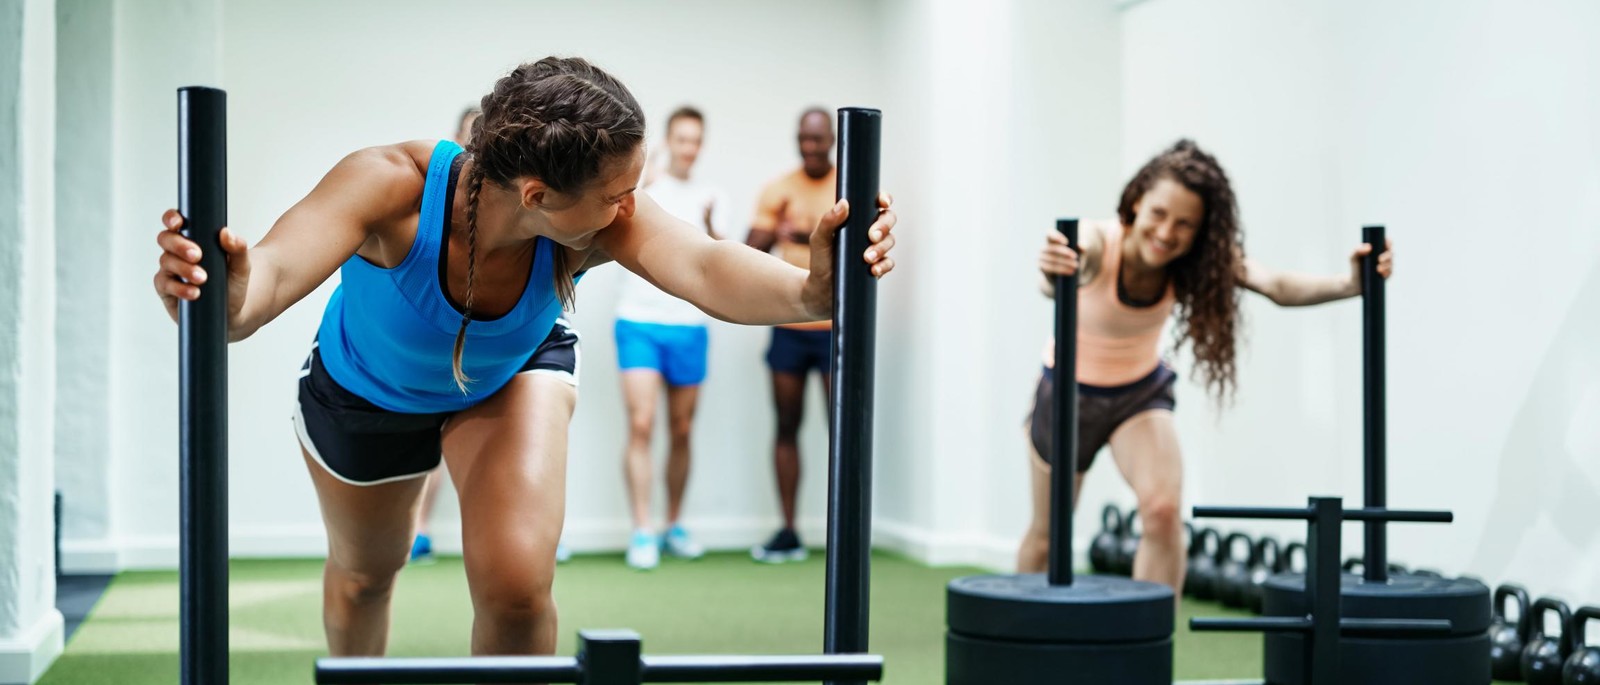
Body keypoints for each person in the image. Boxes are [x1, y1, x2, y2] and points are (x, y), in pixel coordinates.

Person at [153, 57, 897, 658]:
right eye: (618, 194)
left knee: (515, 588)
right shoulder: (390, 185)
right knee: (364, 576)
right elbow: (264, 284)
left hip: (510, 375)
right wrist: (224, 297)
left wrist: (810, 291)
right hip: (366, 391)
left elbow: (703, 265)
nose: (630, 208)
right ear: (538, 194)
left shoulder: (597, 220)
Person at [1015, 139, 1394, 594]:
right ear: (1136, 204)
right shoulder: (1099, 240)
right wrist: (1056, 266)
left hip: (1138, 395)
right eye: (1158, 214)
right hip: (1067, 393)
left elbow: (1275, 284)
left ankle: (1154, 636)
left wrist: (1348, 284)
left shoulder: (1196, 262)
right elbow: (1067, 266)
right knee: (1048, 533)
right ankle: (1019, 632)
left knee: (1162, 513)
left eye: (1184, 224)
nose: (1166, 232)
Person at [614, 106, 728, 570]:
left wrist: (714, 227)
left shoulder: (711, 196)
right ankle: (642, 529)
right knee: (642, 424)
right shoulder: (644, 187)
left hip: (689, 326)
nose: (689, 148)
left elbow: (723, 258)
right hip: (638, 322)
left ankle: (673, 525)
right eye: (682, 139)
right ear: (668, 140)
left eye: (695, 140)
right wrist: (648, 173)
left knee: (681, 429)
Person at [744, 107, 838, 563]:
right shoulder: (778, 190)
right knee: (786, 425)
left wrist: (804, 236)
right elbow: (748, 251)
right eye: (804, 138)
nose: (810, 146)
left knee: (841, 429)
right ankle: (788, 531)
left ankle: (845, 529)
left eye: (817, 139)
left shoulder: (847, 188)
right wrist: (778, 231)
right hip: (789, 326)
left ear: (832, 139)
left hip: (836, 329)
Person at [408, 106, 486, 565]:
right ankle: (416, 529)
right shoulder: (434, 195)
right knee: (429, 434)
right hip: (437, 333)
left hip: (490, 339)